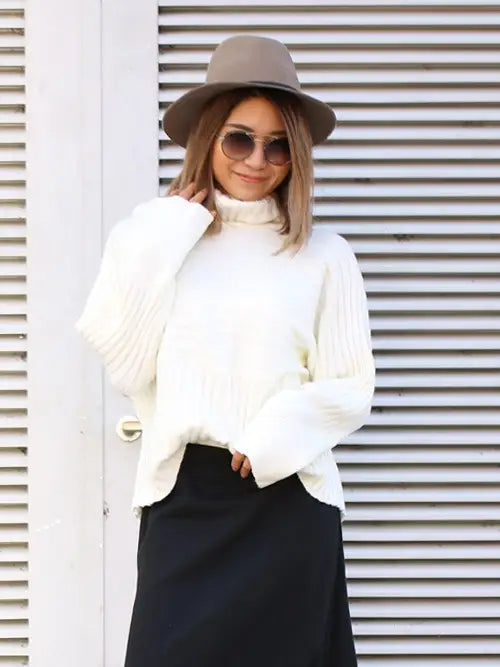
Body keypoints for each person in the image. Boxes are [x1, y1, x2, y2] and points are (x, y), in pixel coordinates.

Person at [75, 34, 375, 667]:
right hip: (185, 495)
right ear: (208, 139)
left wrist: (274, 435)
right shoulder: (161, 239)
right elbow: (125, 361)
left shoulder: (326, 256)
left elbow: (351, 384)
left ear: (296, 155)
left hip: (288, 492)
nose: (257, 160)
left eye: (278, 144)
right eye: (239, 139)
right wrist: (165, 232)